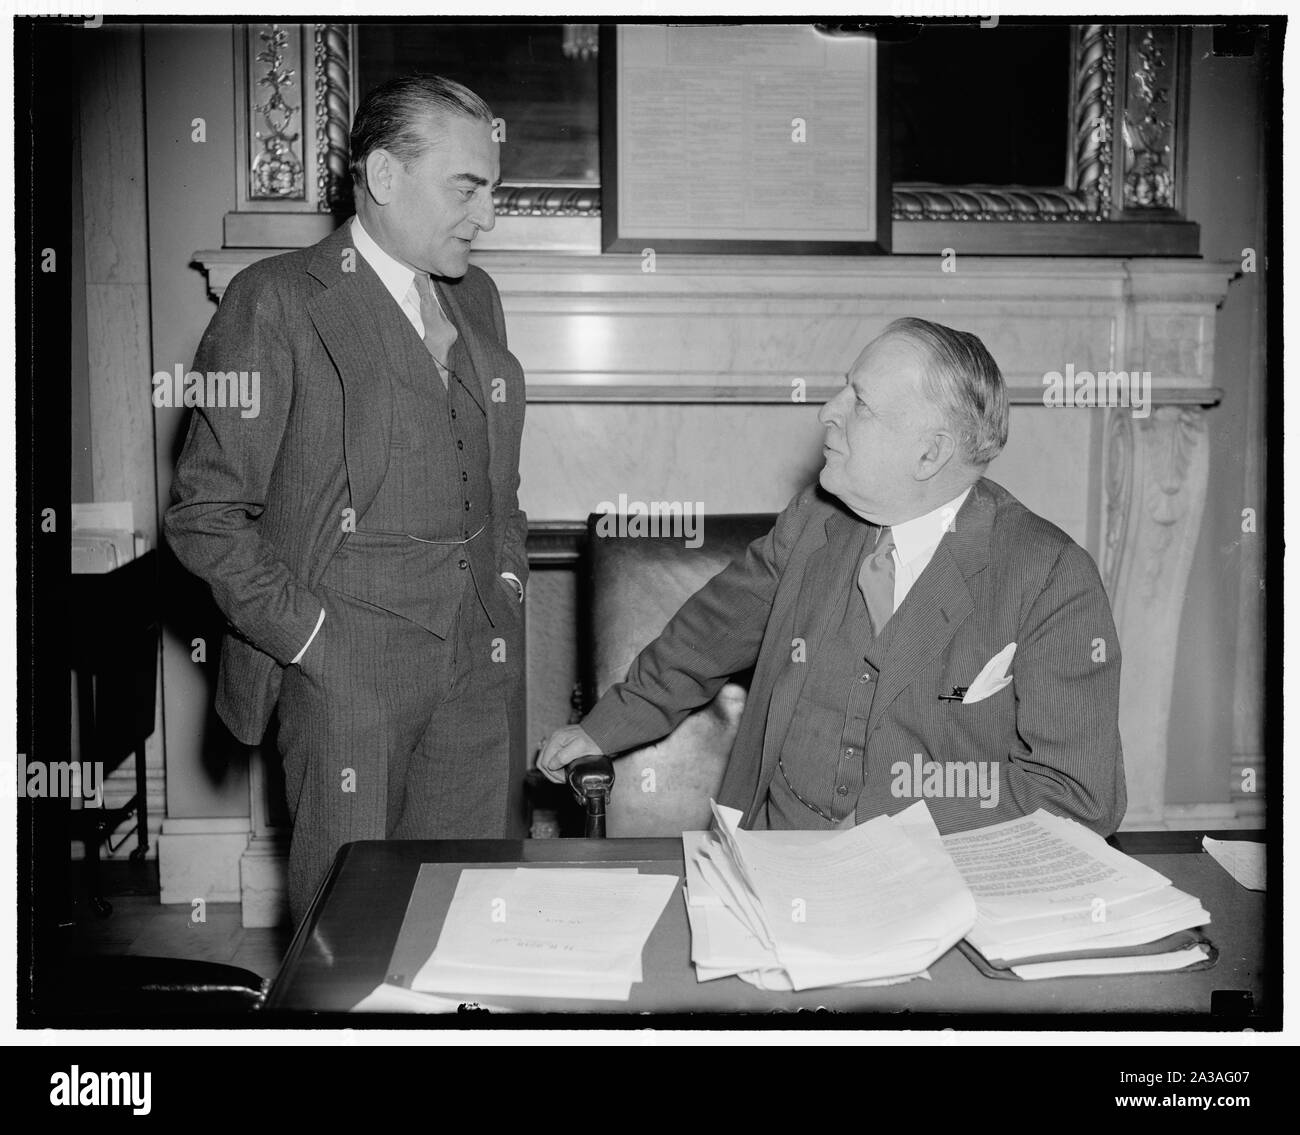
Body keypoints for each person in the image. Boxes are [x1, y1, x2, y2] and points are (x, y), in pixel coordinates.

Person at [166, 75, 528, 923]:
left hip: (480, 657)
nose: (487, 216)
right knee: (351, 932)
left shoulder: (478, 297)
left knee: (464, 910)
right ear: (383, 176)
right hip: (348, 670)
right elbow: (204, 515)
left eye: (494, 191)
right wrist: (315, 639)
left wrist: (506, 583)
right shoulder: (276, 300)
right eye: (467, 189)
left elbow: (500, 477)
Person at [540, 317, 1126, 836]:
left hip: (934, 883)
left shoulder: (1051, 577)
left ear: (930, 455)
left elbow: (1075, 794)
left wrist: (888, 834)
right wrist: (604, 729)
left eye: (860, 402)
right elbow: (708, 634)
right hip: (772, 859)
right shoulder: (814, 523)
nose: (827, 411)